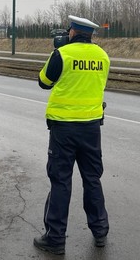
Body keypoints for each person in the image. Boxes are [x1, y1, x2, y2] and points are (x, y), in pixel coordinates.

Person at [34, 15, 110, 255]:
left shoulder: (62, 54)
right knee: (92, 179)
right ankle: (100, 232)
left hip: (63, 129)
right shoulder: (103, 56)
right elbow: (97, 86)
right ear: (91, 34)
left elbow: (44, 81)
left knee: (61, 181)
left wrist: (59, 52)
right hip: (91, 128)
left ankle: (55, 238)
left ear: (73, 32)